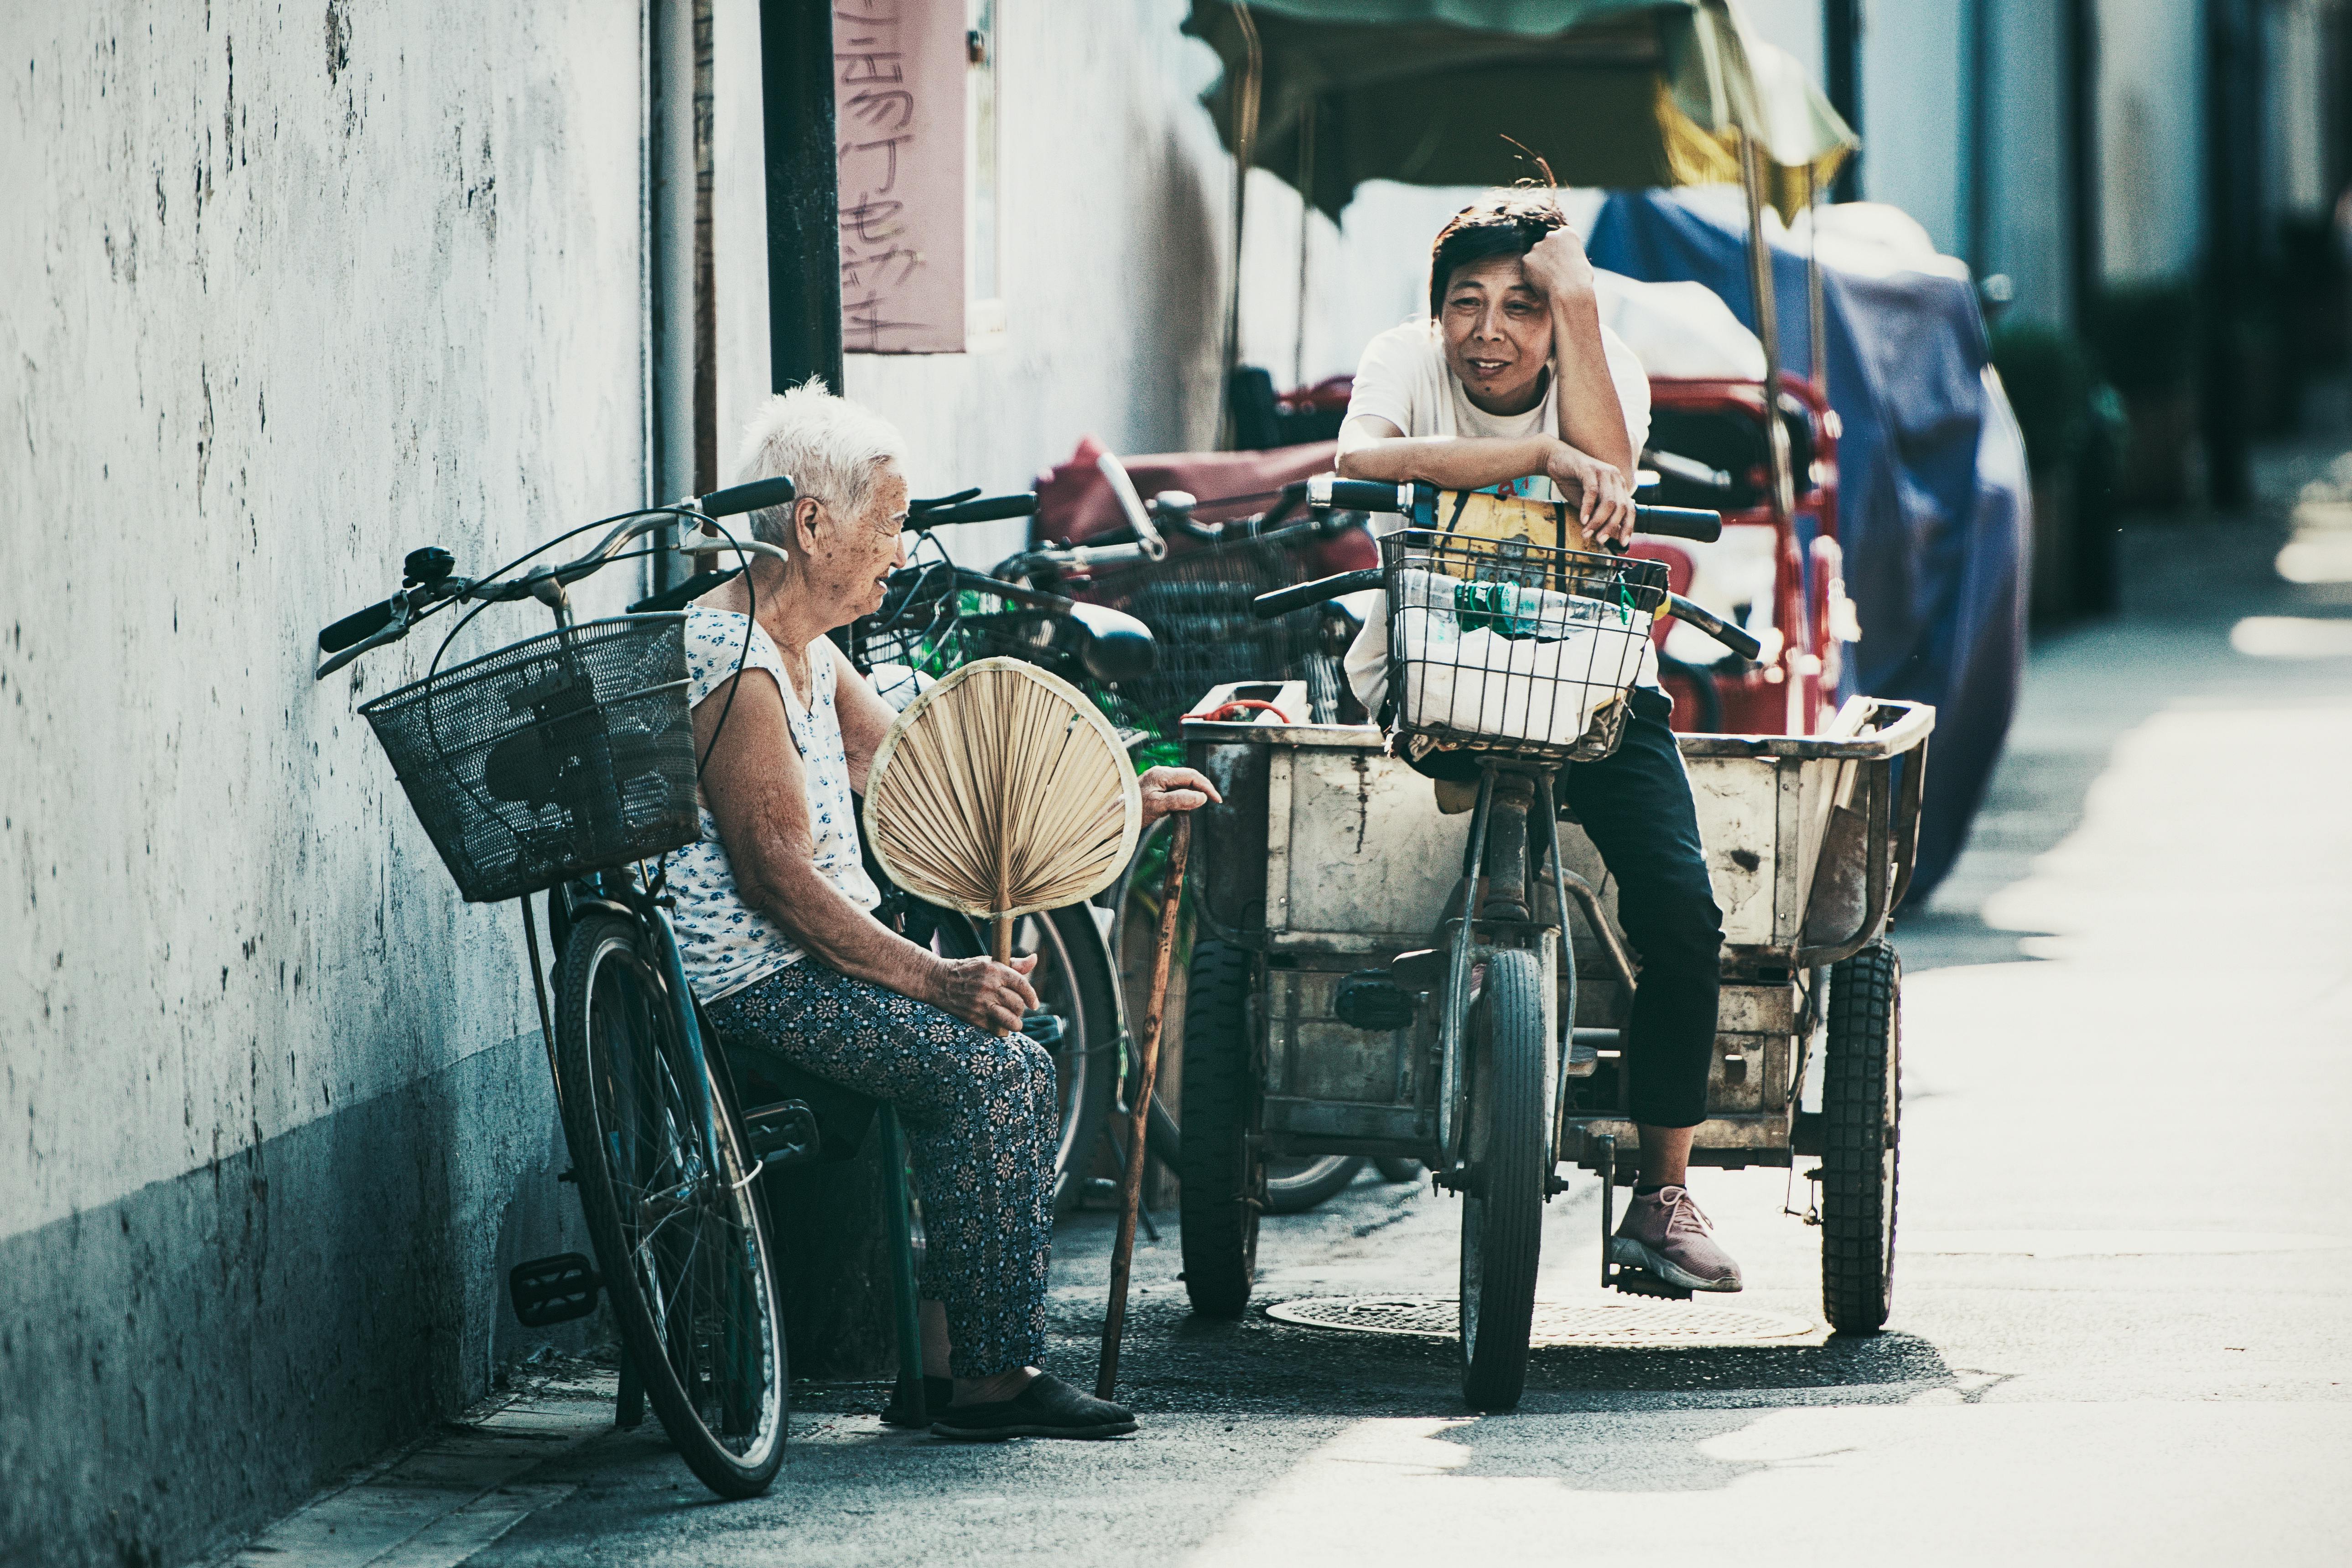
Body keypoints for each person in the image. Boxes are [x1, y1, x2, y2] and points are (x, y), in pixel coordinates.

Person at [673, 380, 1222, 1438]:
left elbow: (931, 772)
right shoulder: (730, 658)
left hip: (808, 967)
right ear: (813, 522)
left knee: (1021, 1045)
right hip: (753, 981)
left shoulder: (807, 647)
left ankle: (947, 1365)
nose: (900, 542)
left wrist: (1111, 795)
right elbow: (776, 880)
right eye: (887, 518)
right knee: (990, 1063)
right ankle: (985, 1379)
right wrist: (937, 979)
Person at [1335, 189, 1741, 1293]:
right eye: (1466, 304)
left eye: (1523, 305)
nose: (1490, 332)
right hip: (1433, 673)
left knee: (1681, 916)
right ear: (1435, 314)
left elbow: (1607, 465)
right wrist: (1537, 468)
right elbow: (1362, 459)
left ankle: (1660, 1197)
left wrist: (1582, 313)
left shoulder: (1599, 363)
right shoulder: (1401, 362)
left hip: (1592, 680)